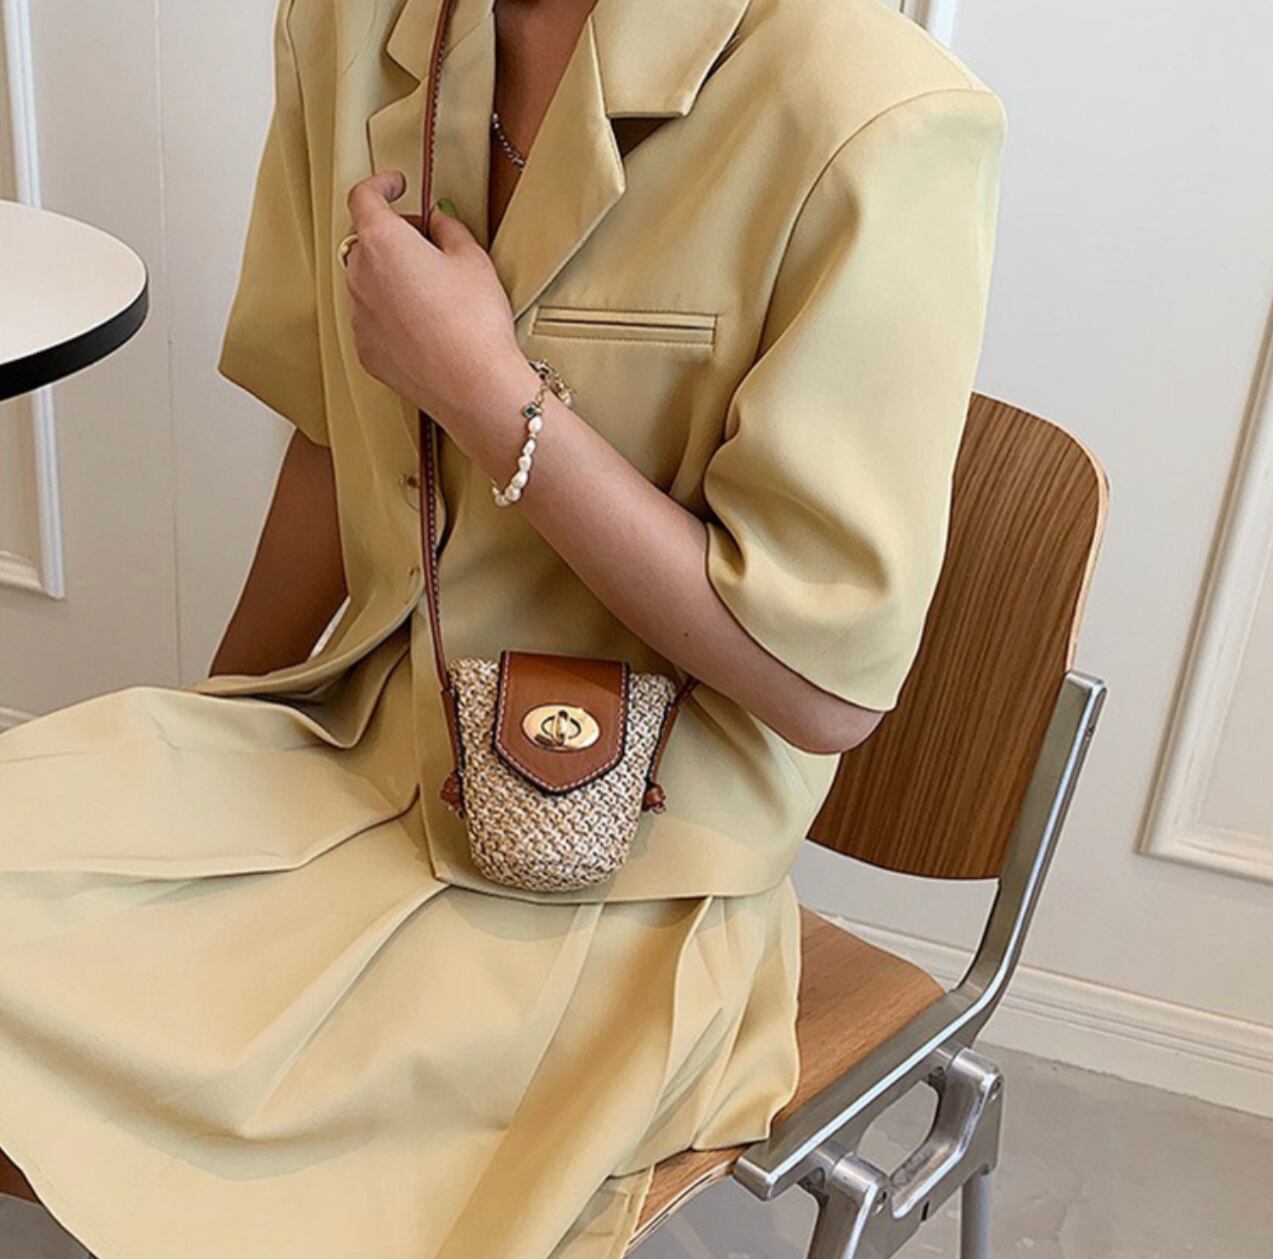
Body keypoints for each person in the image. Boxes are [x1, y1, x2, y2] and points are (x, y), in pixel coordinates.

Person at [0, 0, 1006, 1254]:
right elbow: (328, 432)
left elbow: (826, 692)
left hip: (619, 862)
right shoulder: (346, 23)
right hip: (348, 739)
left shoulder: (874, 113)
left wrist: (486, 393)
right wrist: (197, 757)